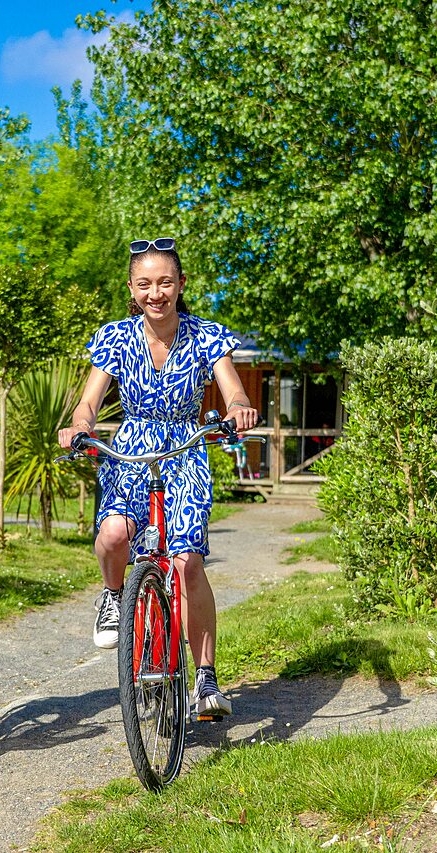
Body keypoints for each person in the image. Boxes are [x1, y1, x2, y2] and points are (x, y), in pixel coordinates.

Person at [58, 237, 259, 719]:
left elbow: (231, 387)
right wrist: (80, 423)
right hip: (130, 447)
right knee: (112, 536)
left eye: (165, 282)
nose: (156, 292)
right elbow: (90, 399)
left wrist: (237, 407)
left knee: (188, 561)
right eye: (145, 283)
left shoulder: (207, 336)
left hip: (186, 449)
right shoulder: (115, 337)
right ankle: (113, 597)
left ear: (180, 284)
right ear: (131, 288)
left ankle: (205, 678)